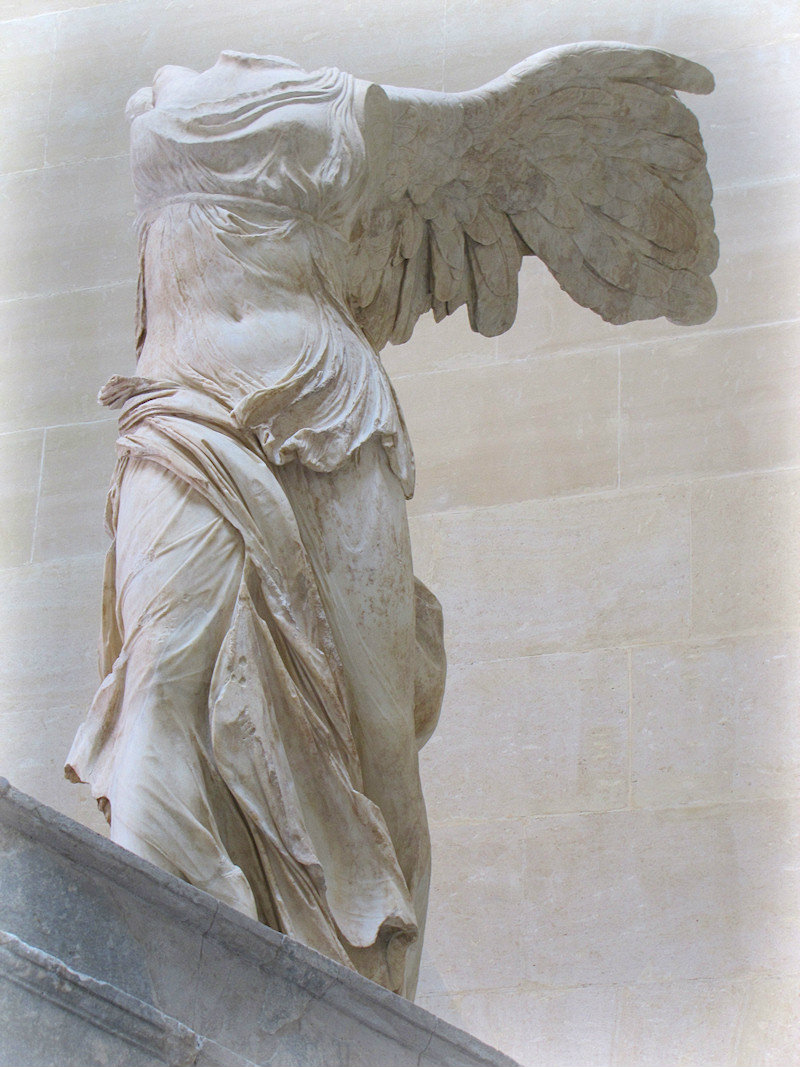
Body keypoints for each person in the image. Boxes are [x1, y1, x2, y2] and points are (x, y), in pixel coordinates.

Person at [67, 45, 717, 999]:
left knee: (379, 740)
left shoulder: (348, 114)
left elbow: (481, 129)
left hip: (331, 417)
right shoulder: (170, 103)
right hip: (181, 415)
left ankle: (381, 1006)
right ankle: (159, 977)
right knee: (157, 686)